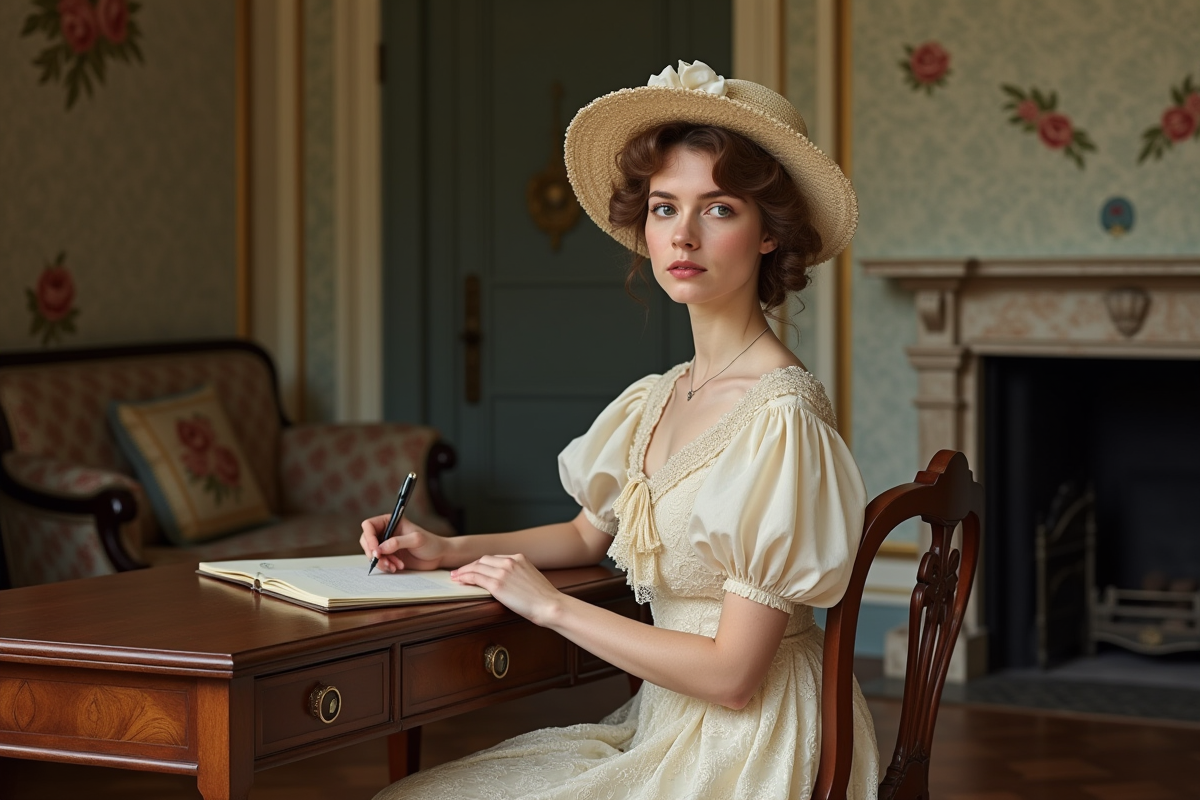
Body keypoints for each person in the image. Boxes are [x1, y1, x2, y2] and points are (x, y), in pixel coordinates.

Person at [360, 59, 879, 800]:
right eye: (666, 207)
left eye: (720, 209)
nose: (684, 236)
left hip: (752, 743)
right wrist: (445, 548)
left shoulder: (781, 418)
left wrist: (548, 607)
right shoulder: (661, 395)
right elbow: (584, 535)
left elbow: (734, 677)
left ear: (770, 234)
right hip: (667, 722)